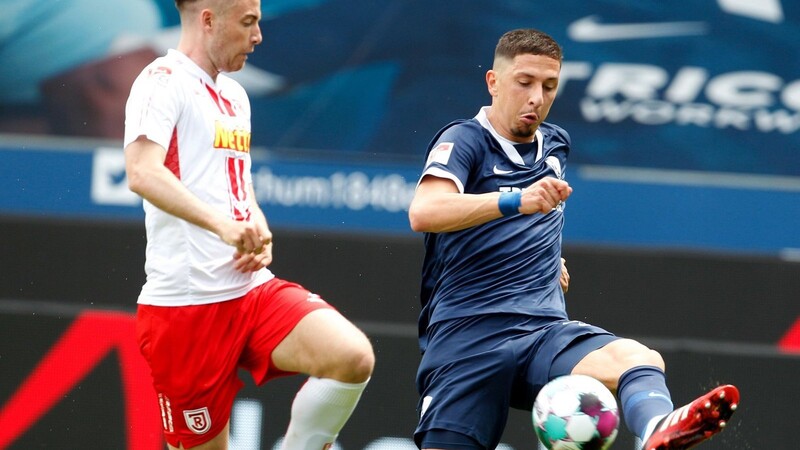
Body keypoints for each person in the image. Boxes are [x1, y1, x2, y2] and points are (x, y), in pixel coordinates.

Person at [407, 28, 739, 450]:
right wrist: (517, 202)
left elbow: (539, 215)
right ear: (493, 82)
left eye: (549, 86)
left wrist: (545, 257)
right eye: (524, 82)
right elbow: (424, 212)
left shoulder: (556, 143)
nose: (536, 98)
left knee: (639, 360)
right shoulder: (464, 139)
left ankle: (656, 428)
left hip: (540, 332)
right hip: (468, 340)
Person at [123, 1, 374, 449]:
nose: (259, 36)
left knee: (352, 357)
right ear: (208, 20)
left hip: (250, 291)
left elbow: (237, 182)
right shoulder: (161, 82)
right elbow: (142, 172)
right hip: (185, 310)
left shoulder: (235, 95)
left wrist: (254, 222)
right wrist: (222, 226)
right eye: (248, 22)